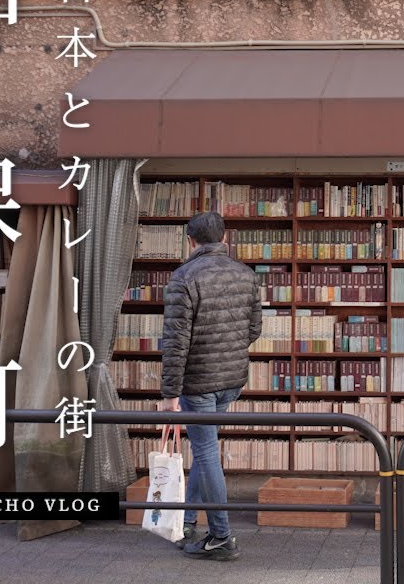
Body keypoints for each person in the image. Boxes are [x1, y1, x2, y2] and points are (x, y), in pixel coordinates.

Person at [159, 211, 262, 561]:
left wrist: (170, 394)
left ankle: (221, 535)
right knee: (207, 447)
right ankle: (188, 520)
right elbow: (254, 329)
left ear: (190, 241)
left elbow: (175, 342)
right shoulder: (245, 274)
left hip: (198, 381)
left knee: (205, 451)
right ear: (224, 236)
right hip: (231, 378)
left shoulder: (183, 277)